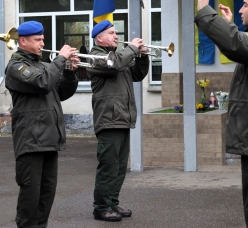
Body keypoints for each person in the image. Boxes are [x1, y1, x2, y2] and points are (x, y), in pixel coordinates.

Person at [193, 0, 248, 227]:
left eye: (245, 5)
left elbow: (238, 44)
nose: (240, 10)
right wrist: (228, 24)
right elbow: (241, 45)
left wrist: (206, 13)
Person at [5, 20, 79, 228]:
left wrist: (71, 72)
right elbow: (42, 82)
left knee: (46, 198)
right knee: (30, 199)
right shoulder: (16, 67)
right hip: (31, 141)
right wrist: (61, 59)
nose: (42, 43)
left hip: (49, 140)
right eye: (37, 40)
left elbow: (61, 92)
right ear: (23, 41)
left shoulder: (45, 66)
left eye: (42, 39)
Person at [86, 20, 149, 222]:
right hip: (109, 119)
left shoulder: (118, 57)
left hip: (122, 118)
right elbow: (115, 65)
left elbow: (137, 74)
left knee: (120, 167)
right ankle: (101, 207)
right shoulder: (95, 57)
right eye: (111, 33)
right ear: (99, 38)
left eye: (115, 32)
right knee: (108, 166)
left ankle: (112, 203)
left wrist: (142, 56)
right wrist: (131, 48)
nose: (116, 36)